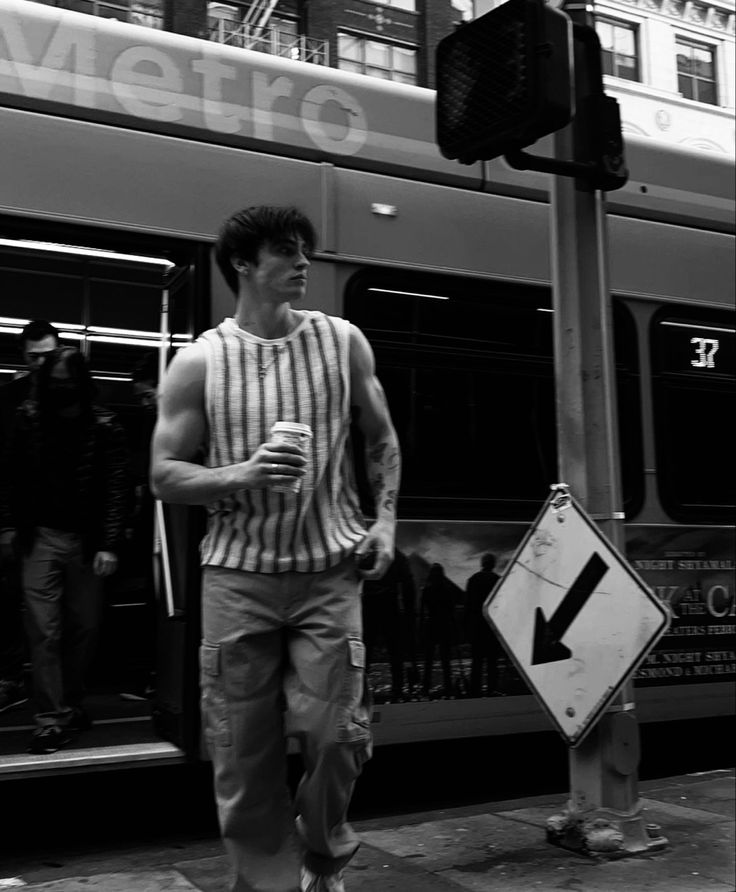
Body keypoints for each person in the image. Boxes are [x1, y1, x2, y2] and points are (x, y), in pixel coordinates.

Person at [151, 205, 400, 892]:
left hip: (330, 570)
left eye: (305, 252)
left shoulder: (342, 341)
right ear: (242, 263)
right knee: (242, 752)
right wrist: (244, 473)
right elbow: (164, 475)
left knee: (337, 736)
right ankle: (268, 883)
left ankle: (323, 854)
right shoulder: (199, 361)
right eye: (286, 253)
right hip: (237, 576)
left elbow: (380, 438)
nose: (302, 265)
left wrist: (384, 523)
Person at [0, 347, 129, 753]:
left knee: (84, 628)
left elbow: (116, 487)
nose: (60, 390)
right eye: (54, 383)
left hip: (86, 543)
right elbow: (10, 475)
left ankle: (71, 702)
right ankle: (50, 718)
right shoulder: (29, 417)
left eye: (66, 384)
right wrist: (7, 526)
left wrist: (108, 543)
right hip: (39, 537)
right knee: (44, 631)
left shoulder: (106, 425)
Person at [0, 321, 60, 716]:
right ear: (23, 356)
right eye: (33, 356)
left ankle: (58, 695)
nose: (40, 364)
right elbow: (3, 466)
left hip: (61, 520)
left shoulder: (76, 393)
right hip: (20, 518)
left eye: (48, 356)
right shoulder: (8, 399)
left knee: (60, 619)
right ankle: (10, 677)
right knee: (6, 599)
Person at [465, 553, 503, 697]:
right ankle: (492, 688)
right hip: (492, 628)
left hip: (477, 627)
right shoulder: (497, 581)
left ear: (482, 563)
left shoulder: (473, 580)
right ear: (493, 564)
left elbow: (468, 606)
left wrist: (467, 628)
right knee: (492, 661)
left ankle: (475, 690)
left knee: (477, 661)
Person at [420, 562, 457, 698]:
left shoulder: (427, 590)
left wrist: (420, 631)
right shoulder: (447, 590)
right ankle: (448, 688)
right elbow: (451, 612)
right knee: (445, 660)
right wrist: (455, 629)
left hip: (431, 625)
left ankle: (425, 689)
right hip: (444, 625)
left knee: (428, 661)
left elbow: (423, 613)